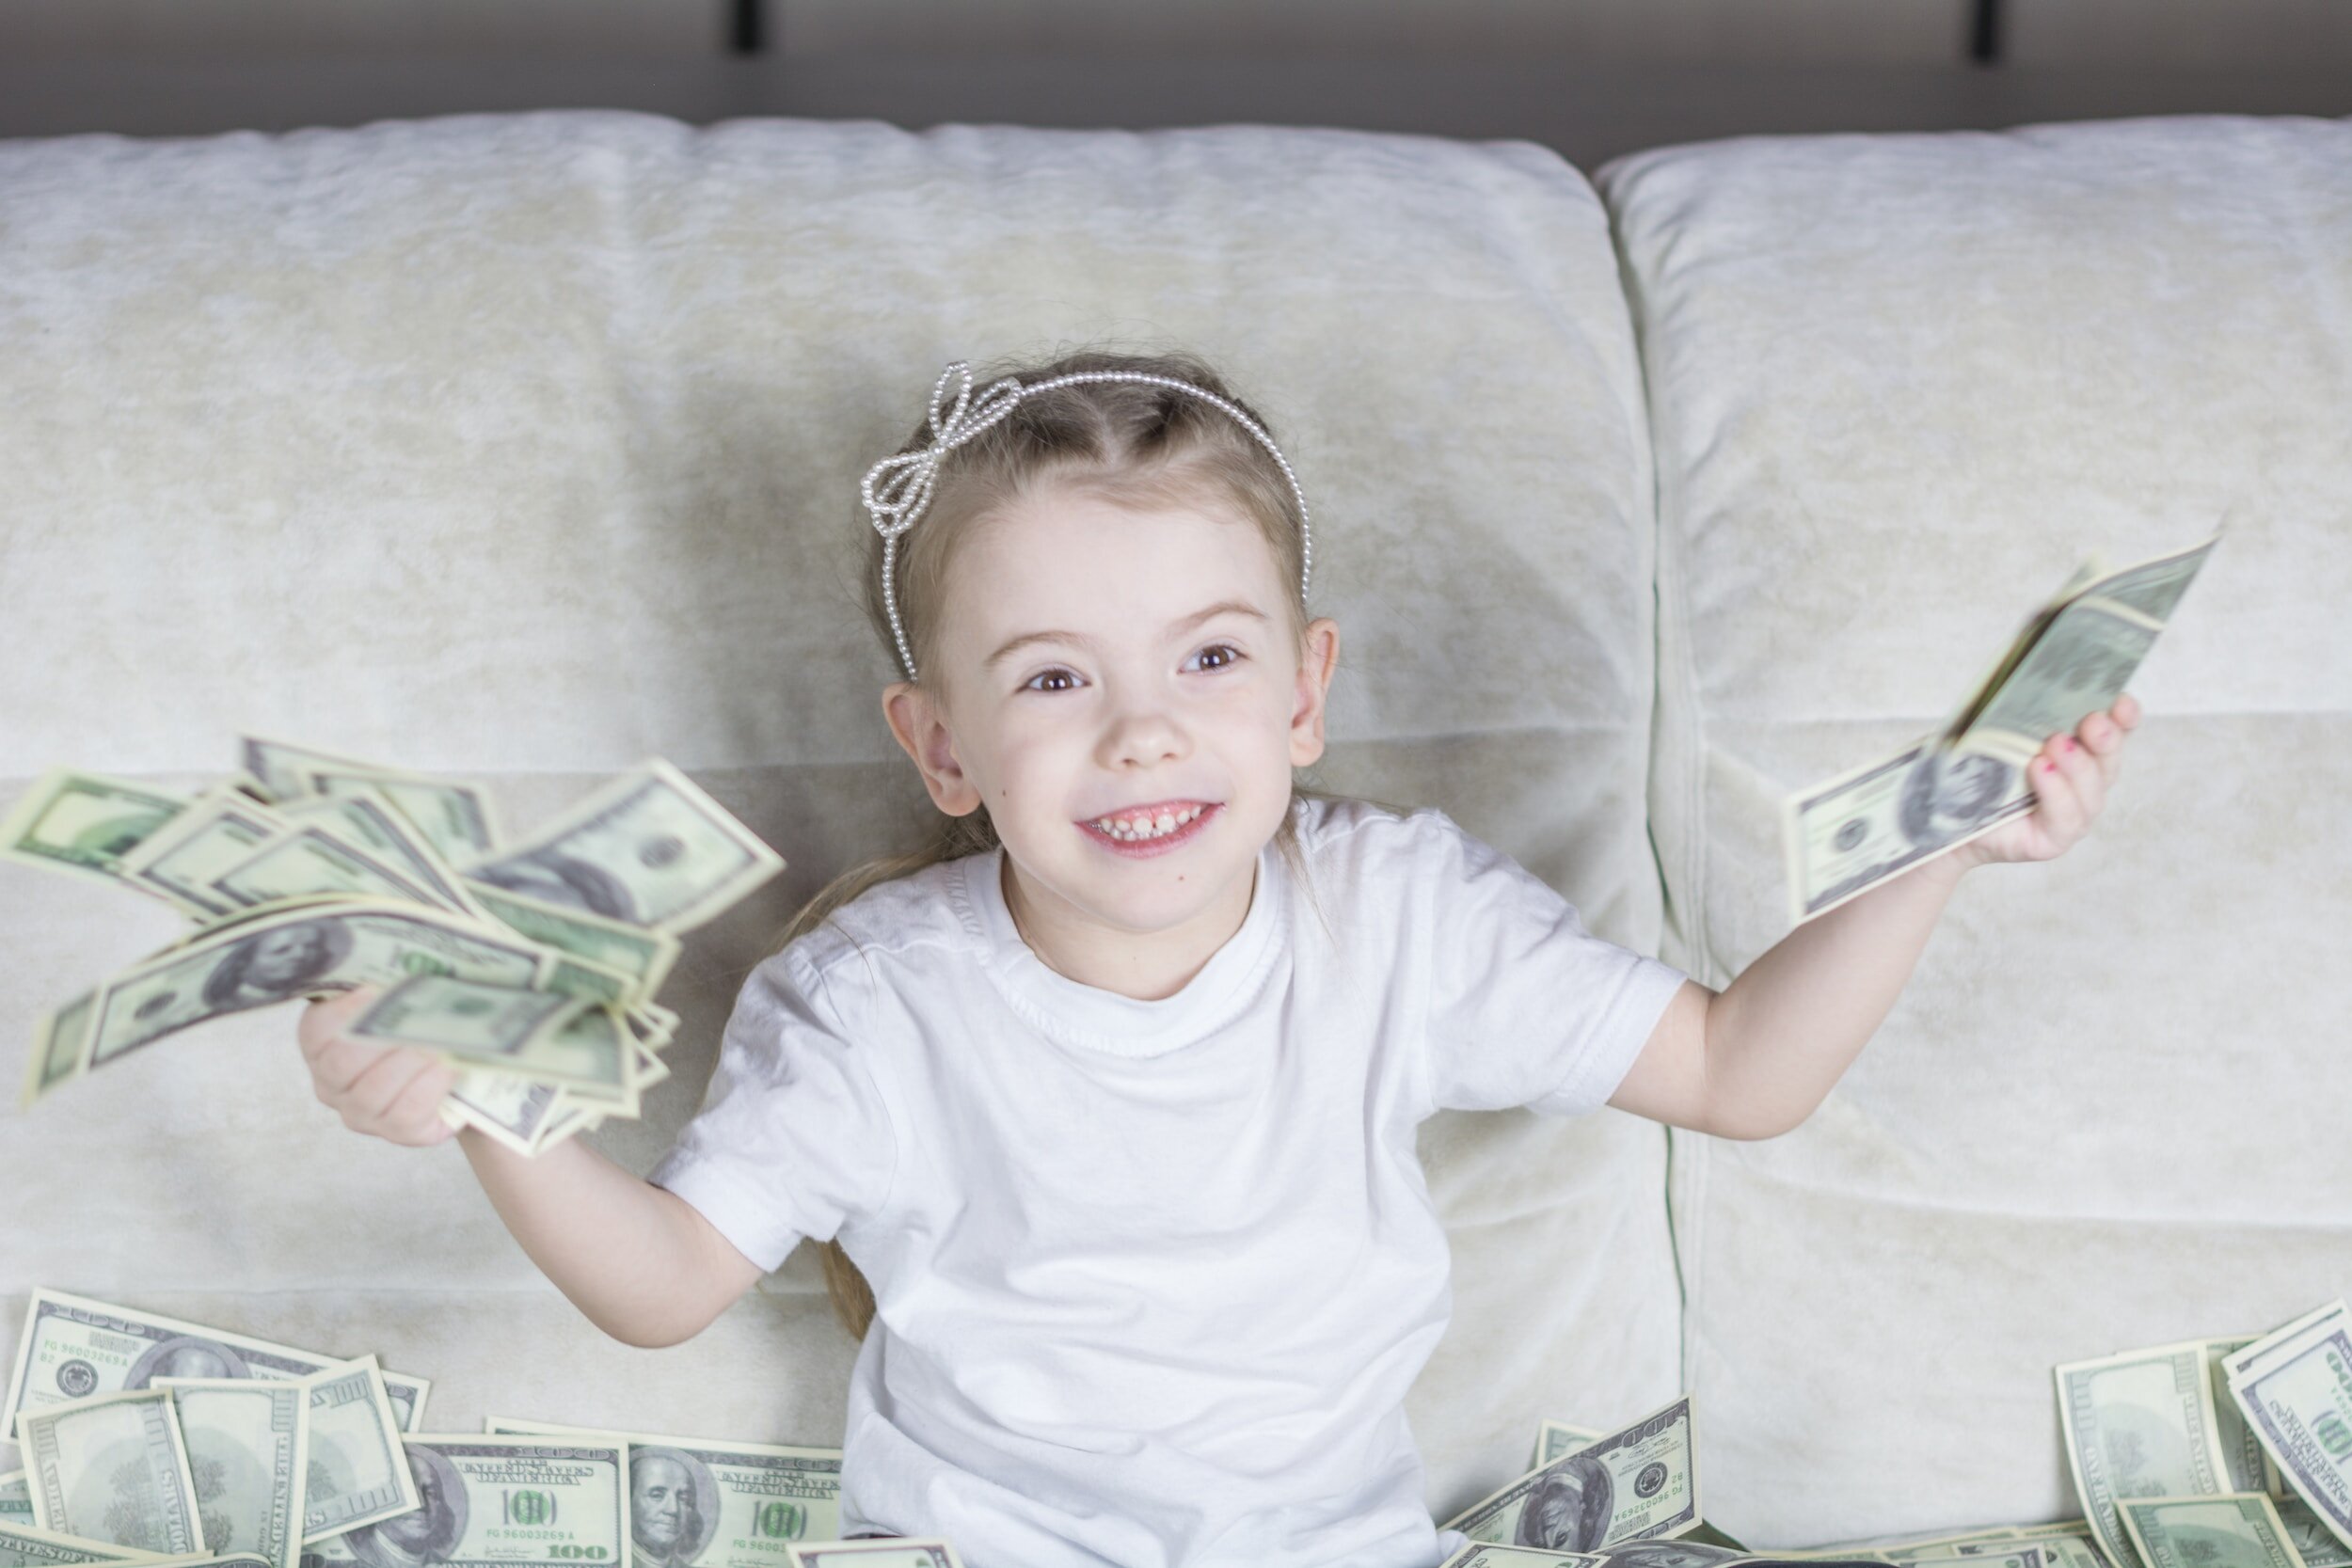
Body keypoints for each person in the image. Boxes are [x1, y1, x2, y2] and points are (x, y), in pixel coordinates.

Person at [292, 347, 2143, 1568]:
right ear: (941, 747)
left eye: (1206, 659)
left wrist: (1945, 844)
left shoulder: (1394, 918)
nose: (1142, 733)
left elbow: (1742, 1072)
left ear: (1304, 694)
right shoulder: (877, 1001)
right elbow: (669, 1281)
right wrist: (490, 1107)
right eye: (1048, 679)